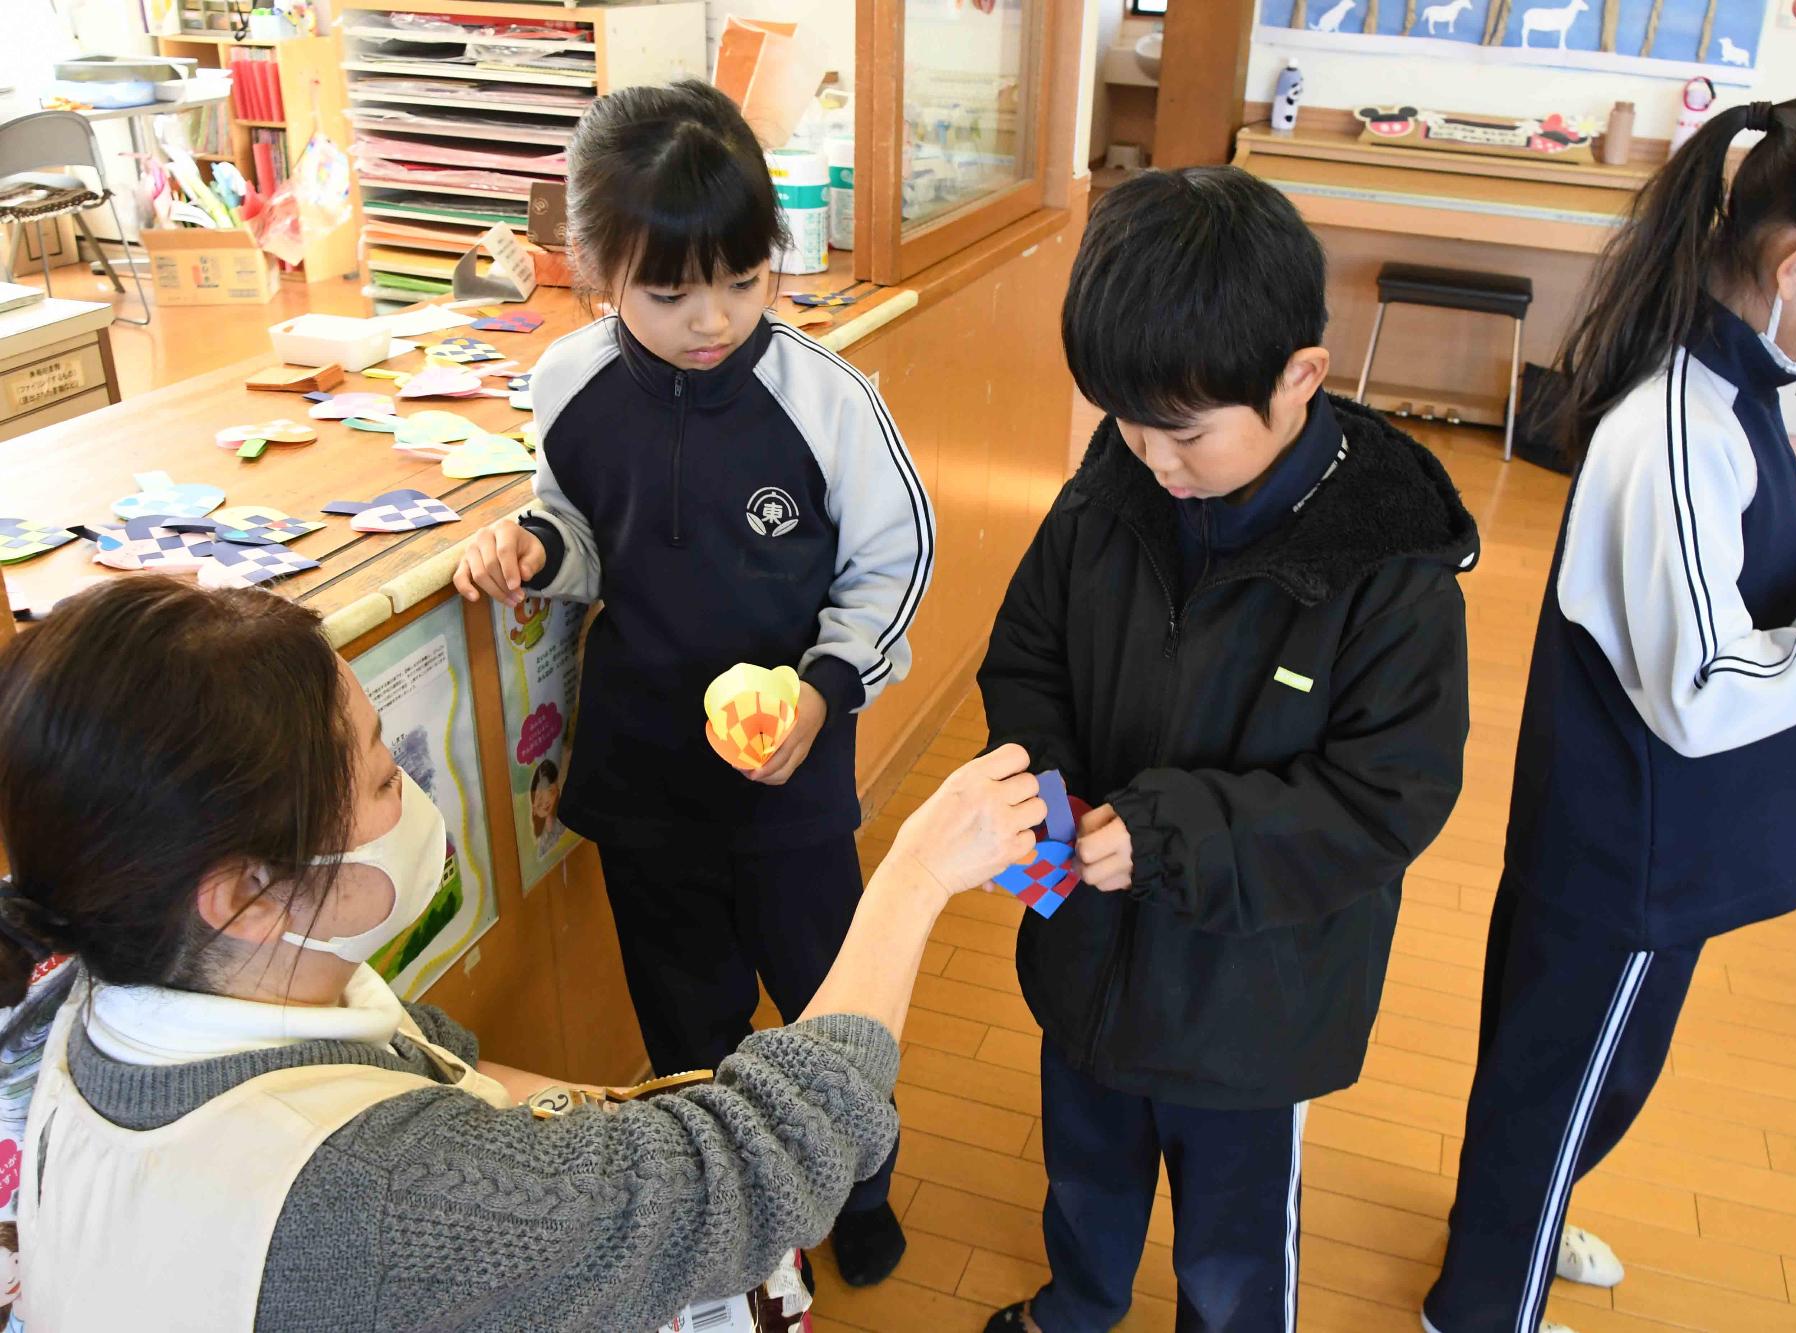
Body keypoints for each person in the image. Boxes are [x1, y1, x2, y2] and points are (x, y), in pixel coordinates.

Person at [0, 577, 1042, 1331]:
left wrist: (587, 1120)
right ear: (245, 896)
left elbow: (404, 1065)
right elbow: (764, 1164)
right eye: (376, 779)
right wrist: (911, 876)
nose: (415, 797)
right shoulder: (378, 1204)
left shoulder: (115, 997)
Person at [1422, 82, 1796, 1333]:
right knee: (1562, 1084)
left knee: (1571, 1080)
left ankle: (1514, 1227)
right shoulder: (1675, 425)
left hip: (1637, 845)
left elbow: (1706, 581)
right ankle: (1477, 1306)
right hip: (1625, 854)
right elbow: (1702, 692)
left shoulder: (1730, 393)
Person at [977, 166, 1479, 1333]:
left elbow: (1385, 798)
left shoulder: (1387, 566)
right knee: (1085, 1173)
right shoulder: (1116, 478)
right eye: (1123, 421)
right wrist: (1041, 797)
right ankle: (1077, 1305)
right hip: (1089, 950)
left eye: (1182, 432)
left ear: (1299, 375)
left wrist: (1159, 836)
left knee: (1231, 1247)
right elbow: (1027, 656)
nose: (1150, 456)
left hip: (1255, 998)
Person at [453, 81, 934, 1285]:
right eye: (669, 293)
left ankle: (860, 1186)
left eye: (742, 280)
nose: (711, 319)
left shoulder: (824, 400)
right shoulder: (566, 381)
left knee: (829, 1003)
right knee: (685, 1015)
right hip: (644, 772)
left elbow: (895, 562)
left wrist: (823, 690)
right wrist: (529, 546)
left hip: (791, 781)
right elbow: (580, 526)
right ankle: (736, 1222)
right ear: (595, 271)